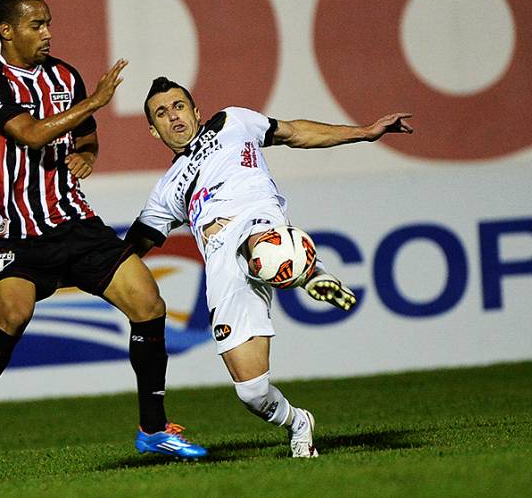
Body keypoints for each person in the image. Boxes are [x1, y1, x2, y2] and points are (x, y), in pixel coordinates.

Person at [0, 0, 206, 474]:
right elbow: (29, 133)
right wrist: (97, 99)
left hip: (75, 224)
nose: (47, 33)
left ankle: (154, 430)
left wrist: (88, 153)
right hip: (18, 234)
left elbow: (85, 130)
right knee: (13, 316)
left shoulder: (64, 74)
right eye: (35, 25)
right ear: (7, 30)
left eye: (48, 23)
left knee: (149, 303)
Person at [125, 77, 413, 458]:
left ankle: (309, 269)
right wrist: (76, 267)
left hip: (257, 217)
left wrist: (363, 132)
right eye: (161, 113)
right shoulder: (166, 191)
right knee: (252, 391)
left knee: (264, 246)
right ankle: (298, 422)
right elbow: (127, 253)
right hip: (221, 263)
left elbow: (295, 132)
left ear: (196, 111)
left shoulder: (232, 122)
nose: (173, 116)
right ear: (152, 130)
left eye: (179, 106)